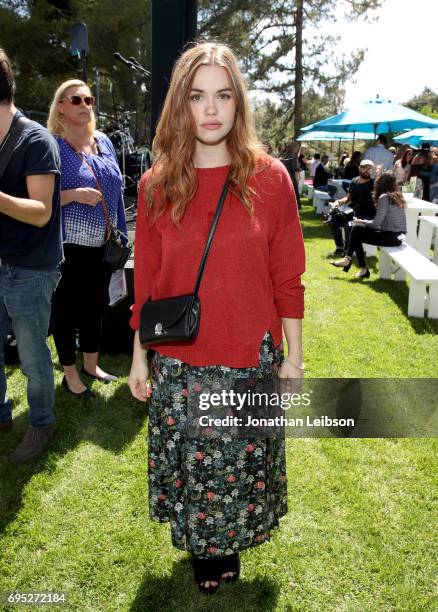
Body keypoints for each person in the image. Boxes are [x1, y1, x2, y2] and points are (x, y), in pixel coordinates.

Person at [128, 42, 305, 595]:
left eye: (223, 95)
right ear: (180, 106)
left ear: (238, 104)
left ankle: (228, 545)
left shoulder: (271, 179)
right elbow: (148, 282)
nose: (210, 109)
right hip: (183, 363)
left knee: (238, 468)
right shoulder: (156, 184)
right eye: (197, 96)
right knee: (202, 470)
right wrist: (139, 357)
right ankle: (209, 553)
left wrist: (294, 355)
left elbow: (288, 277)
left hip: (249, 356)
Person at [0, 48, 62, 463]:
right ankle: (2, 413)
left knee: (32, 354)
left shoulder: (36, 140)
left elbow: (41, 214)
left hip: (30, 271)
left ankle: (41, 422)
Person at [47, 79, 128, 395]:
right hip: (68, 246)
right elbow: (41, 197)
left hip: (103, 244)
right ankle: (70, 374)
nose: (84, 105)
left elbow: (118, 192)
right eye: (76, 99)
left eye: (88, 99)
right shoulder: (53, 145)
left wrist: (120, 232)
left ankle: (92, 365)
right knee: (66, 309)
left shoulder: (104, 142)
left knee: (96, 305)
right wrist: (74, 194)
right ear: (61, 106)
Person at [330, 172, 406, 278]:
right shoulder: (397, 196)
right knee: (357, 229)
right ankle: (355, 264)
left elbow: (375, 224)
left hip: (392, 237)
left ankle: (352, 262)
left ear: (381, 184)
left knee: (356, 230)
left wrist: (362, 221)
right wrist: (362, 222)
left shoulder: (384, 197)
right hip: (400, 236)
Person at [327, 160, 375, 255]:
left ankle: (348, 250)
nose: (367, 170)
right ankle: (340, 247)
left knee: (348, 224)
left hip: (366, 214)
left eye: (370, 169)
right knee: (332, 220)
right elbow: (349, 198)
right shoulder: (354, 181)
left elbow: (378, 191)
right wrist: (338, 201)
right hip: (351, 211)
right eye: (365, 168)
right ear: (360, 168)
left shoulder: (373, 183)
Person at [281, 142, 301, 208]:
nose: (297, 149)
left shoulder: (284, 155)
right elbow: (294, 168)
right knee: (293, 194)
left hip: (284, 177)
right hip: (291, 178)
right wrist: (298, 169)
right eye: (296, 148)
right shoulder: (293, 156)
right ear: (294, 148)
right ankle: (294, 207)